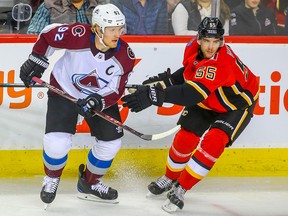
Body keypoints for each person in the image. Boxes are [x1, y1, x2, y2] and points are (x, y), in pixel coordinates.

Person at [121, 17, 260, 213]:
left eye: (216, 42)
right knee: (185, 137)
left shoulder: (222, 63)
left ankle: (181, 188)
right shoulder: (192, 47)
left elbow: (190, 94)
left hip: (236, 106)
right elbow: (188, 73)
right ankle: (170, 177)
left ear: (222, 41)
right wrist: (160, 84)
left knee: (213, 142)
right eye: (207, 41)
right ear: (199, 39)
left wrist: (154, 95)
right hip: (208, 97)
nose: (211, 46)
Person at [19, 3, 135, 206]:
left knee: (111, 143)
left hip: (98, 99)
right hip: (65, 91)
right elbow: (47, 35)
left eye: (119, 29)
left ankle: (89, 183)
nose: (117, 34)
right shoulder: (78, 34)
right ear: (98, 28)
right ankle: (52, 178)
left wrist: (97, 101)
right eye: (112, 29)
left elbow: (116, 90)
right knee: (56, 144)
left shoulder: (125, 55)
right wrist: (37, 60)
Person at [27, 0, 106, 34]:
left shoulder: (101, 6)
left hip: (93, 58)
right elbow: (34, 37)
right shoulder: (48, 6)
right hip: (59, 57)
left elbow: (114, 32)